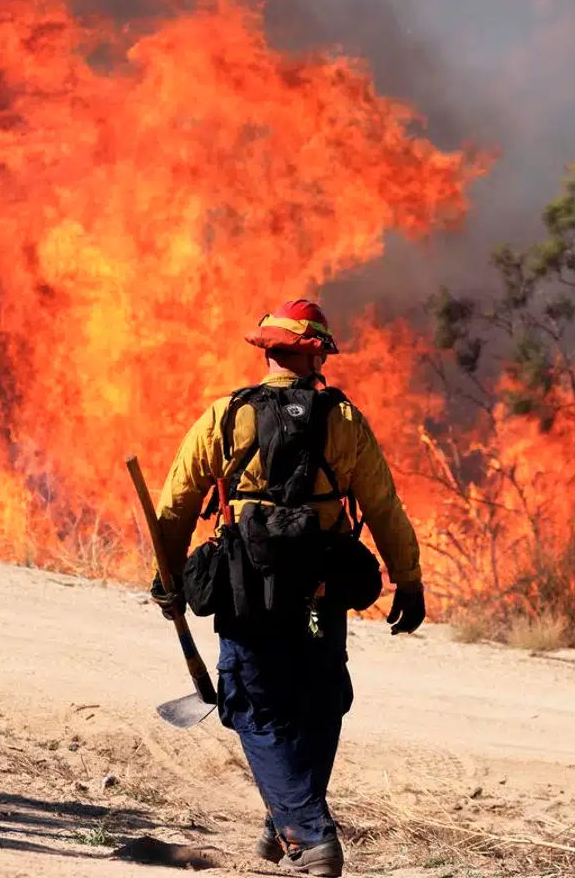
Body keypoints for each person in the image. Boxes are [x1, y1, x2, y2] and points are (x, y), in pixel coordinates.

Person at [150, 299, 425, 878]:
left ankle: (309, 837)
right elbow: (383, 506)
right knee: (318, 700)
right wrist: (408, 578)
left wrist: (167, 575)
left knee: (254, 703)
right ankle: (286, 820)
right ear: (317, 353)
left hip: (247, 590)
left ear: (268, 352)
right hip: (320, 596)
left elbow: (175, 502)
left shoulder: (226, 415)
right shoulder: (345, 419)